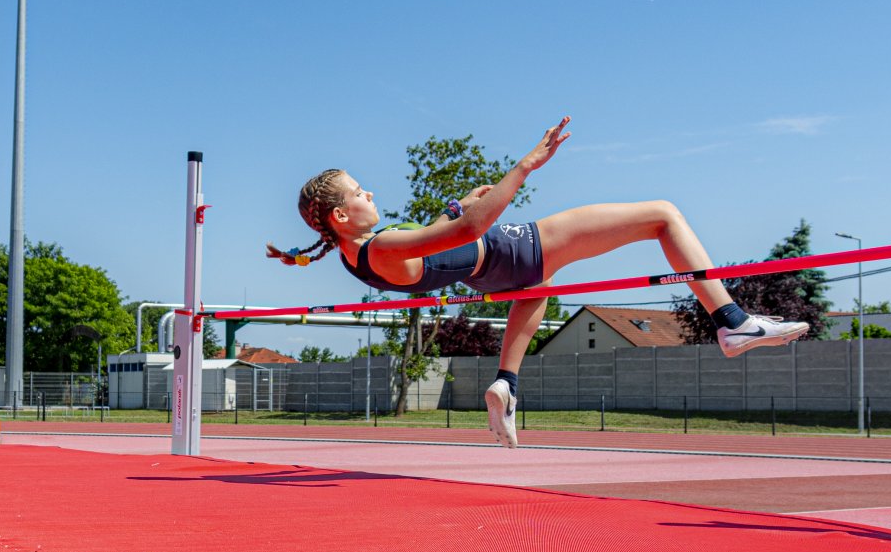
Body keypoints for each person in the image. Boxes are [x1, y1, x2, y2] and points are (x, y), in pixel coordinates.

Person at [266, 117, 807, 448]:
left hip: (493, 273)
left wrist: (459, 206)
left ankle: (507, 382)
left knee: (542, 287)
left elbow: (443, 240)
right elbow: (472, 231)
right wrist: (523, 167)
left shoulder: (357, 257)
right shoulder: (380, 247)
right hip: (517, 247)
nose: (370, 194)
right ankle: (731, 322)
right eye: (359, 193)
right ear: (340, 216)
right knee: (663, 215)